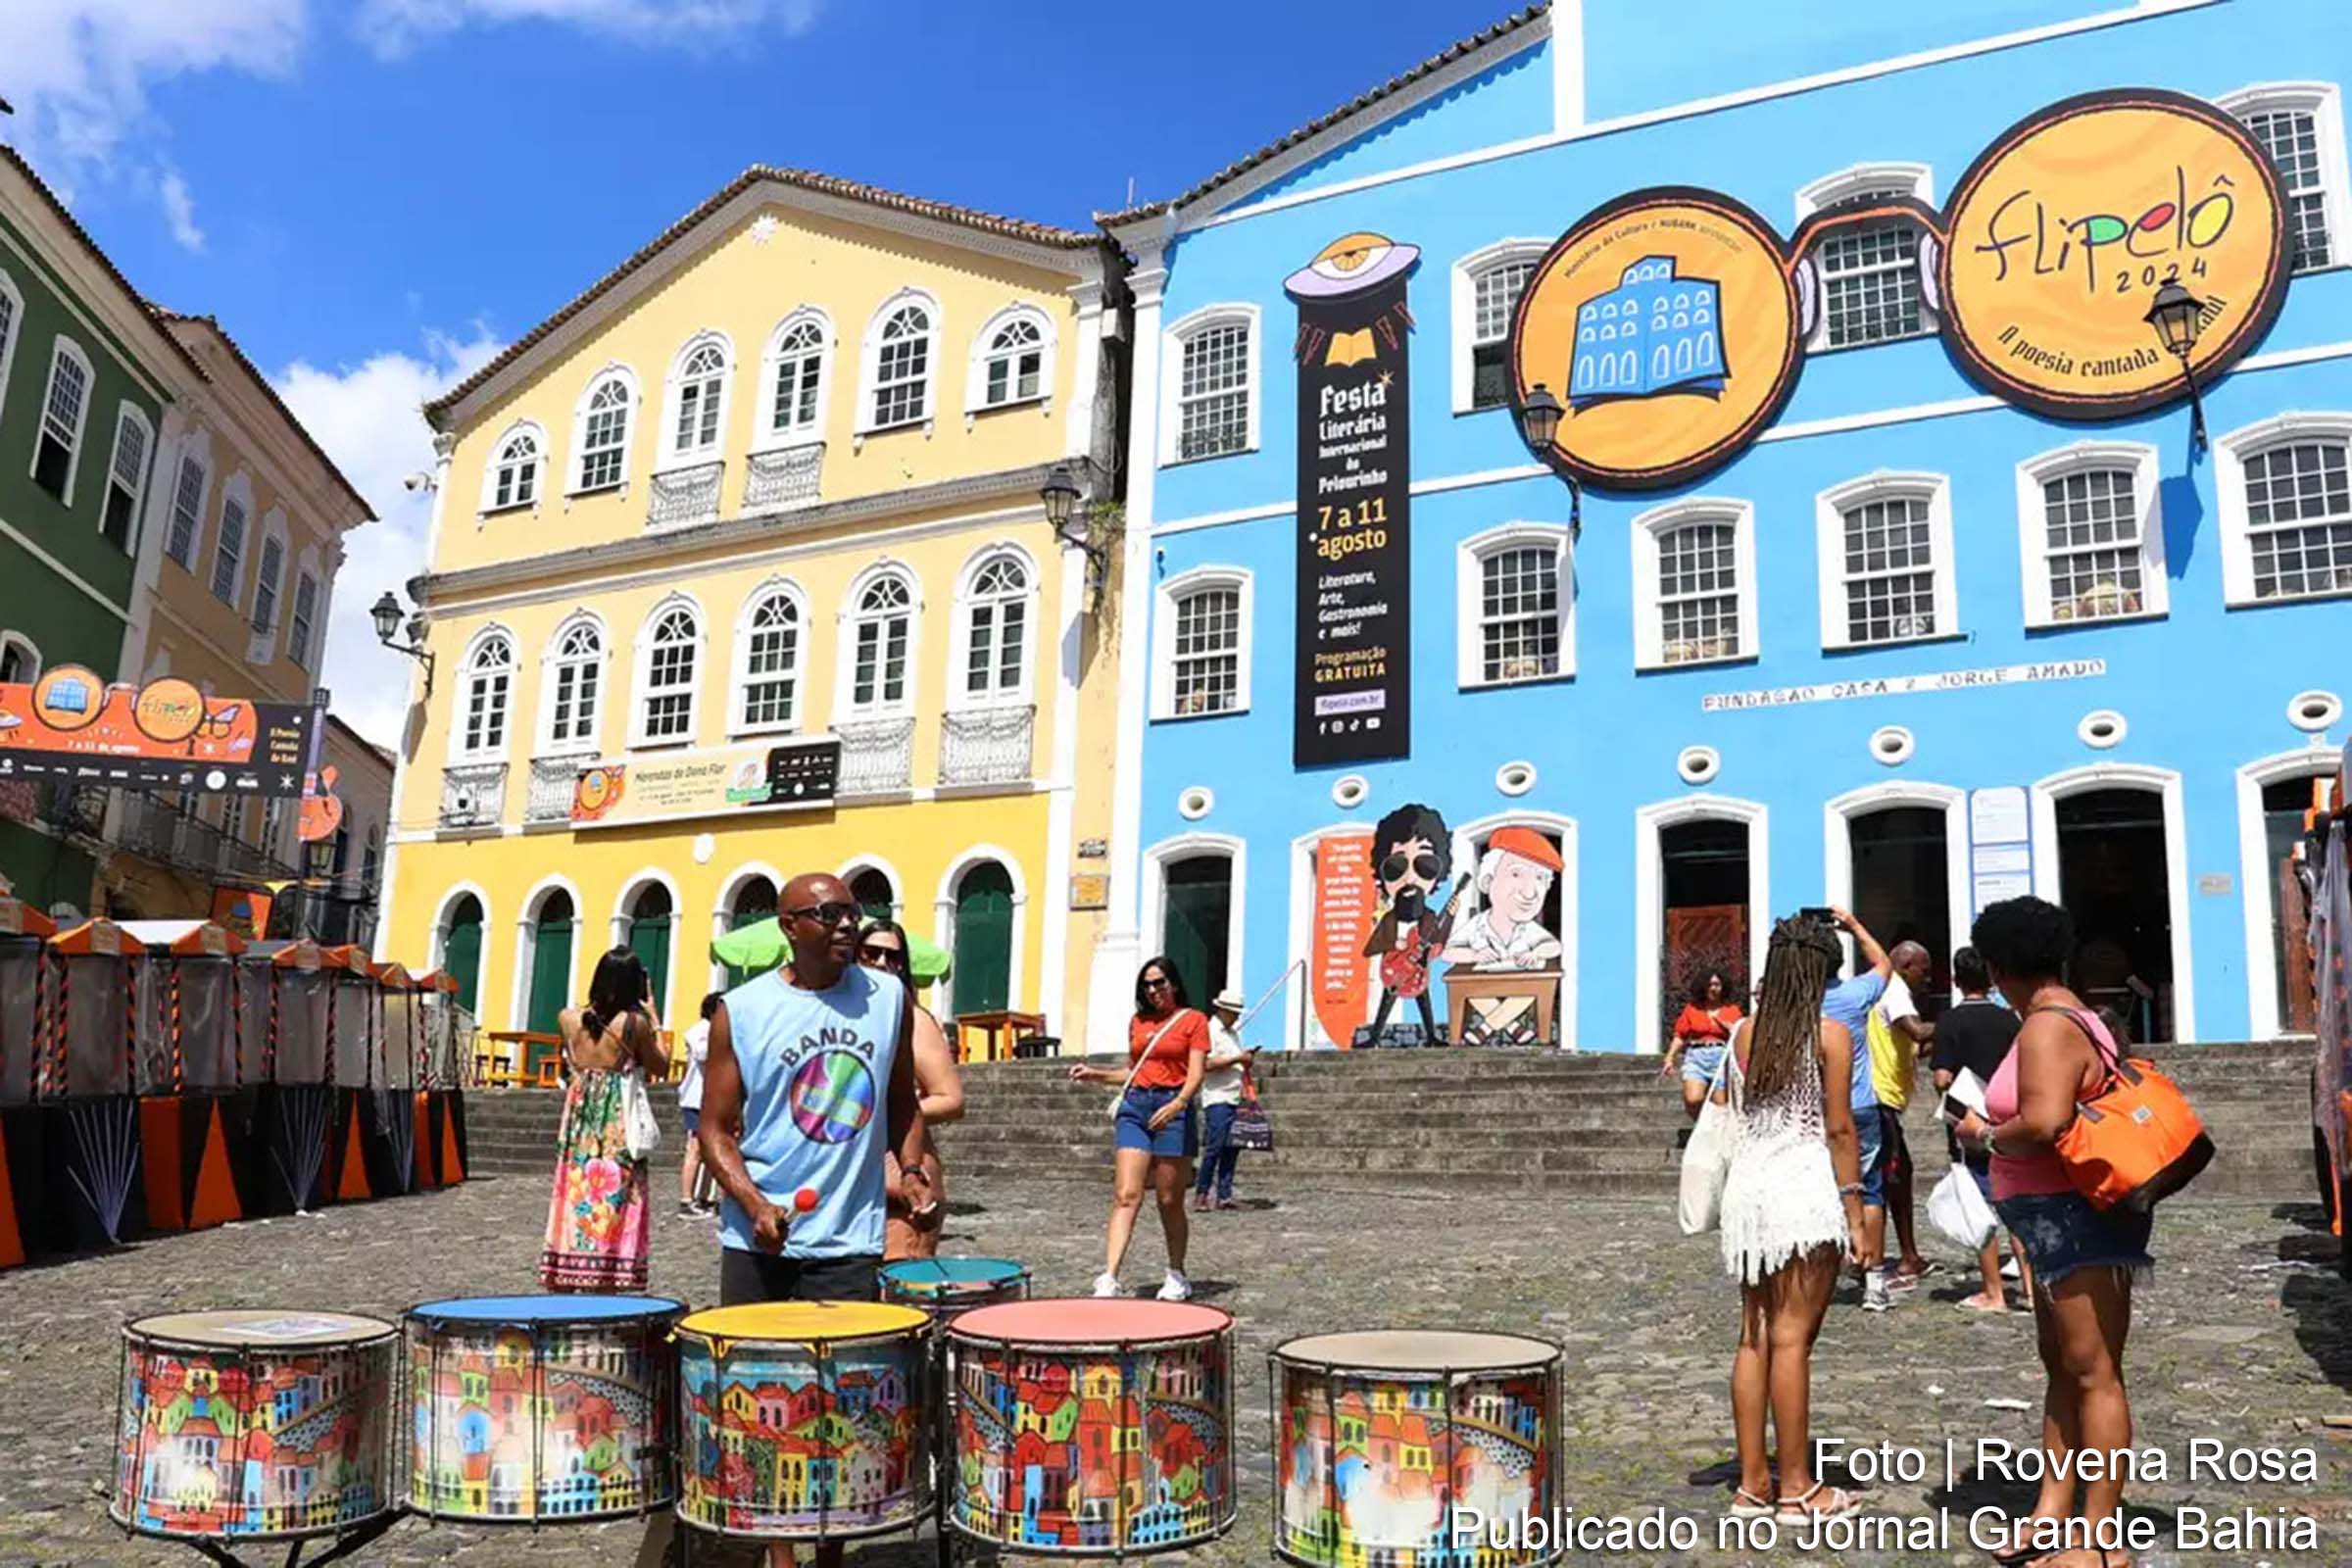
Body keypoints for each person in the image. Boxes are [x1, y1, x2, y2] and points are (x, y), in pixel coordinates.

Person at [698, 873, 930, 1568]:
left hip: (849, 1240)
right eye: (826, 913)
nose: (846, 925)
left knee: (839, 1411)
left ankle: (829, 1553)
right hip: (759, 1242)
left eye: (852, 913)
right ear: (788, 926)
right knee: (763, 1406)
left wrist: (910, 1166)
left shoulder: (887, 997)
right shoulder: (741, 1010)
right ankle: (779, 1553)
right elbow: (714, 1130)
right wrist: (753, 1203)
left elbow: (900, 1100)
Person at [1956, 896, 2152, 1568]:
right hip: (2051, 1222)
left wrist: (1982, 1133)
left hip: (2073, 1219)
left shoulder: (2046, 1028)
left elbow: (2042, 1121)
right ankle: (2052, 1508)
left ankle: (2100, 1544)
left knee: (2094, 1372)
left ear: (1997, 963)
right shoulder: (2063, 1018)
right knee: (2063, 1367)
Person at [1719, 914, 1870, 1525]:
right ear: (1824, 973)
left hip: (1749, 1194)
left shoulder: (1742, 1034)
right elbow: (1838, 1129)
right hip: (1803, 1193)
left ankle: (1753, 1483)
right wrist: (1857, 1212)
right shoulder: (1830, 1035)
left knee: (1754, 1335)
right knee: (1792, 1340)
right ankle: (1799, 1487)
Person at [1068, 956, 1206, 1299]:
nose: (1153, 990)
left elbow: (1196, 1073)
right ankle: (1110, 1275)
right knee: (1126, 1195)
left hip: (1173, 1107)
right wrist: (1096, 1075)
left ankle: (1176, 1273)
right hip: (1135, 1106)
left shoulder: (1194, 1020)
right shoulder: (1138, 1022)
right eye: (1147, 984)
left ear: (1173, 984)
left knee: (1168, 1199)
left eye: (1160, 982)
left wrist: (1177, 1104)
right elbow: (1133, 1071)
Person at [540, 947, 668, 1292]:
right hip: (616, 1114)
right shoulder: (633, 1023)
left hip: (580, 1114)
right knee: (617, 1189)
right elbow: (662, 1066)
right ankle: (610, 1269)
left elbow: (571, 1060)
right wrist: (655, 1018)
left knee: (578, 1184)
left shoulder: (567, 1017)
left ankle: (571, 1264)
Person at [1930, 946, 2030, 1312]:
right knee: (2015, 1205)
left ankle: (1993, 1291)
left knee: (1978, 1207)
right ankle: (2031, 1291)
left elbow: (1942, 1077)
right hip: (2009, 1120)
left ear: (1956, 980)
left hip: (1969, 1125)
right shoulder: (2011, 1021)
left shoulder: (1950, 1022)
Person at [858, 917, 963, 1260]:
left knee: (897, 1298)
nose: (882, 963)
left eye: (893, 957)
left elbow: (951, 1100)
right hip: (852, 1169)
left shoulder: (913, 1019)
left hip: (901, 1166)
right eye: (871, 953)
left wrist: (880, 1112)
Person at [1816, 907, 1894, 1308]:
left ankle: (1822, 1274)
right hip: (1859, 1102)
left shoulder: (1799, 1002)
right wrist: (1855, 926)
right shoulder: (1854, 995)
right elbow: (1884, 963)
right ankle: (1875, 1278)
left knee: (1822, 1191)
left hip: (1812, 1109)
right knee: (1869, 1191)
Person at [1439, 826, 1564, 1046]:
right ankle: (1514, 1027)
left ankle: (1486, 1028)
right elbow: (1448, 952)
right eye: (1516, 874)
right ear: (1488, 881)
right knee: (1475, 990)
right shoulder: (1477, 925)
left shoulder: (1529, 928)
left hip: (1520, 981)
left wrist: (1535, 952)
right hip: (1484, 983)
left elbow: (1554, 947)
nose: (1529, 892)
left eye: (1540, 879)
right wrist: (1474, 954)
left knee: (1527, 990)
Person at [1864, 940, 1938, 1303]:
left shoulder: (1884, 990)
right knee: (1890, 1177)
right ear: (1905, 966)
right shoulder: (1895, 991)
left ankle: (1908, 1253)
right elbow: (1916, 1032)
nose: (1927, 978)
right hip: (1879, 1098)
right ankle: (1886, 1257)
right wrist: (1960, 1019)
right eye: (1923, 970)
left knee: (1898, 1175)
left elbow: (1908, 1045)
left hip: (1884, 1098)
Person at [1193, 988, 1255, 1211]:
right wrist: (1237, 1058)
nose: (1237, 1017)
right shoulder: (1209, 1032)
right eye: (1233, 1012)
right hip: (1217, 1097)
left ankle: (1224, 1194)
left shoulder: (1233, 1034)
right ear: (1221, 1010)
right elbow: (1206, 1064)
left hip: (1234, 1095)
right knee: (1214, 1146)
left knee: (1231, 1147)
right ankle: (1201, 1193)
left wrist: (1244, 1060)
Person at [1663, 972, 1742, 1120]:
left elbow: (1741, 1037)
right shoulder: (1692, 1009)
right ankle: (1701, 1125)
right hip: (1696, 1056)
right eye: (1709, 985)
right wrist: (1669, 1058)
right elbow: (1680, 1035)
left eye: (1717, 985)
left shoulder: (1732, 1010)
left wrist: (1732, 1029)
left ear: (1723, 987)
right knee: (1693, 1099)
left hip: (1722, 1057)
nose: (1713, 988)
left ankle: (1716, 1133)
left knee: (1721, 1106)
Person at [676, 991, 719, 1216]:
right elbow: (703, 1054)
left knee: (713, 1150)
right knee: (694, 1149)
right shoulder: (699, 1031)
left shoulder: (716, 1031)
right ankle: (686, 1199)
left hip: (714, 1099)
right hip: (696, 1098)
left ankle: (705, 1197)